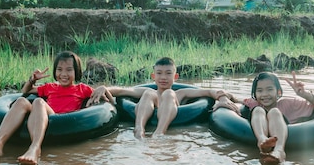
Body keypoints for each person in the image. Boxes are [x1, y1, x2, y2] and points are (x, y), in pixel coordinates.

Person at [0, 51, 107, 165]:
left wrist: (103, 87)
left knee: (39, 102)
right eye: (59, 69)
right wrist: (32, 80)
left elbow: (111, 95)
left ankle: (34, 148)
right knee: (21, 101)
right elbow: (25, 91)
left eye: (69, 70)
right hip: (43, 115)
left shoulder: (82, 89)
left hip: (59, 119)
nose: (63, 74)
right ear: (55, 71)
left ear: (76, 71)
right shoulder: (49, 87)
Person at [88, 57, 230, 139]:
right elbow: (122, 90)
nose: (163, 77)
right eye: (159, 73)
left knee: (169, 93)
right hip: (146, 107)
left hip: (168, 119)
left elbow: (210, 91)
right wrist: (104, 88)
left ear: (175, 77)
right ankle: (139, 129)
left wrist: (222, 97)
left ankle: (159, 132)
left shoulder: (182, 93)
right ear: (153, 76)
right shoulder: (147, 91)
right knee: (149, 93)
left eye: (168, 73)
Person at [215, 71, 314, 164]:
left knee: (274, 112)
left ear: (278, 91)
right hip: (260, 130)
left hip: (283, 128)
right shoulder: (253, 103)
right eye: (260, 91)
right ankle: (263, 141)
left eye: (269, 89)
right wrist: (223, 98)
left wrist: (305, 95)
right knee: (258, 109)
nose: (264, 94)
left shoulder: (289, 104)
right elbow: (231, 97)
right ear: (254, 94)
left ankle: (279, 150)